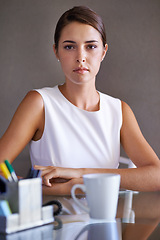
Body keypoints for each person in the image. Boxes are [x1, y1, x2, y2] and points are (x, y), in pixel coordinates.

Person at [0, 6, 160, 195]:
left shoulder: (119, 110)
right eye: (69, 46)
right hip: (52, 221)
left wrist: (80, 175)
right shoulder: (39, 103)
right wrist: (65, 189)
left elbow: (156, 175)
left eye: (91, 46)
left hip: (107, 222)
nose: (81, 57)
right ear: (56, 51)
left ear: (103, 51)